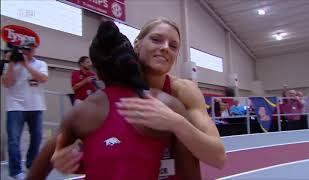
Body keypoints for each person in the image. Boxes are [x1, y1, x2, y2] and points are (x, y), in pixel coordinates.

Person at [50, 17, 226, 178]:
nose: (165, 47)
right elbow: (70, 147)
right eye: (156, 39)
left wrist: (176, 123)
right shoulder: (113, 81)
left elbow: (218, 157)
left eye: (173, 46)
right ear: (137, 44)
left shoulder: (184, 91)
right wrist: (65, 155)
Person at [1, 41, 48, 179]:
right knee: (13, 140)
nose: (28, 51)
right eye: (25, 48)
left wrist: (26, 64)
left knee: (37, 138)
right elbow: (7, 83)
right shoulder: (11, 64)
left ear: (34, 50)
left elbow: (43, 78)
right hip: (15, 107)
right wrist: (11, 62)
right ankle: (16, 171)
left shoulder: (41, 64)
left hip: (36, 106)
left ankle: (31, 164)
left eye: (30, 48)